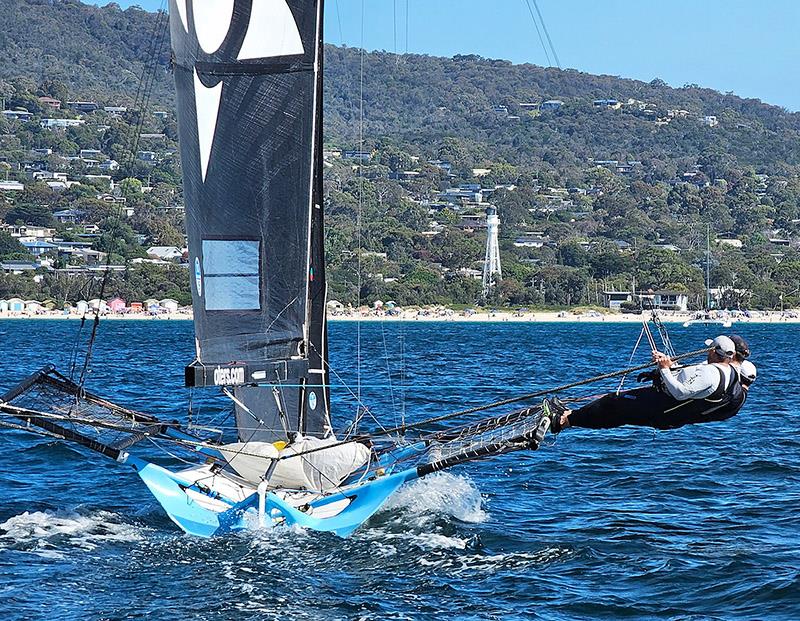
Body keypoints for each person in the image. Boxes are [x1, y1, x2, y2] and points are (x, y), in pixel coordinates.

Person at [547, 335, 747, 432]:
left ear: (713, 351)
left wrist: (664, 369)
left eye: (709, 349)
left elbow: (680, 392)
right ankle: (569, 417)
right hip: (668, 413)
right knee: (618, 414)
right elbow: (692, 382)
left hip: (663, 407)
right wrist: (669, 364)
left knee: (611, 402)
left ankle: (564, 420)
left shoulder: (711, 373)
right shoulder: (730, 373)